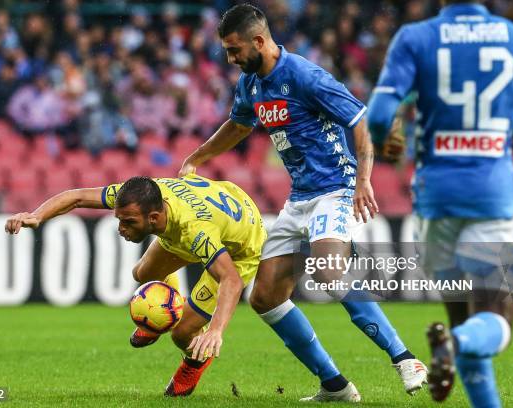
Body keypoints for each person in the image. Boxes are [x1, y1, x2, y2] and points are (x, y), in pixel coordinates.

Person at [179, 4, 427, 402]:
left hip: (335, 187)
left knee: (329, 272)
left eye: (234, 49)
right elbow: (240, 125)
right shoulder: (251, 83)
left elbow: (359, 121)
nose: (230, 58)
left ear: (259, 41)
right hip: (300, 198)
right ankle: (335, 385)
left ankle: (406, 358)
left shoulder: (305, 75)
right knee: (264, 297)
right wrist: (198, 157)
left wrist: (363, 180)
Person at [367, 1, 513, 406]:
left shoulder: (414, 37)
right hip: (492, 199)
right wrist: (497, 127)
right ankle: (456, 343)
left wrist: (389, 139)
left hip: (434, 204)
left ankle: (456, 342)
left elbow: (379, 116)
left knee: (463, 314)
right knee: (496, 322)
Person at [4, 174, 267, 397]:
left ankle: (195, 362)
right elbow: (76, 196)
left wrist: (216, 331)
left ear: (153, 217)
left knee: (183, 334)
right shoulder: (138, 195)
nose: (121, 228)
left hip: (239, 247)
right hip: (211, 213)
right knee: (143, 273)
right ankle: (162, 317)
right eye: (119, 219)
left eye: (128, 222)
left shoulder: (195, 230)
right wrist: (37, 216)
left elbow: (230, 280)